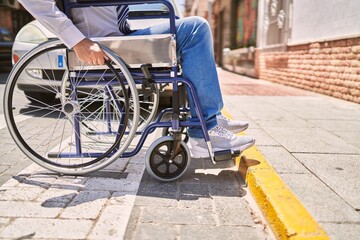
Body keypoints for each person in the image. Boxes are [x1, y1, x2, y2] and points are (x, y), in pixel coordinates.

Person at [18, 0, 255, 158]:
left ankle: (208, 118)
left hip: (118, 36)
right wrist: (77, 41)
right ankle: (205, 132)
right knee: (195, 29)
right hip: (104, 45)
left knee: (187, 32)